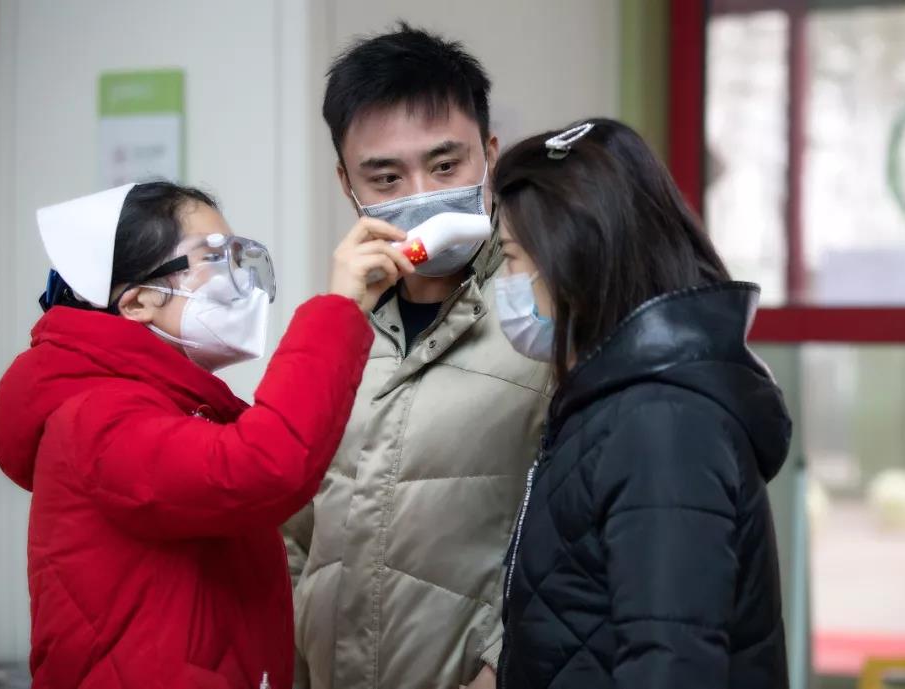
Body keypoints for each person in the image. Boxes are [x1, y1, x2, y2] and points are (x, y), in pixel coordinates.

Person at [0, 181, 414, 689]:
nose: (239, 279)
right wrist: (337, 309)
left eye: (237, 256)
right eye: (213, 258)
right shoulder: (97, 417)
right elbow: (262, 468)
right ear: (138, 302)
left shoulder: (171, 407)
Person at [282, 24, 550, 689]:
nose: (422, 192)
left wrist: (505, 664)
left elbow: (587, 540)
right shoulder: (329, 332)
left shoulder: (544, 320)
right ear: (347, 184)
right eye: (386, 177)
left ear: (490, 155)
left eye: (446, 165)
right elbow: (287, 529)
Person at [490, 119, 793, 688]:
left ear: (573, 258)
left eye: (510, 257)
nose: (503, 282)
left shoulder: (662, 425)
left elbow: (670, 664)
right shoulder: (615, 407)